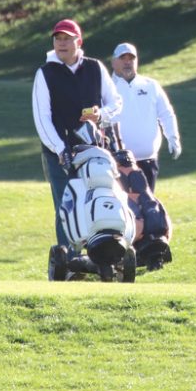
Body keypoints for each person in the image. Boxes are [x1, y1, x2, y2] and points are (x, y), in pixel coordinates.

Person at [32, 18, 122, 254]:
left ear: (78, 41)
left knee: (97, 198)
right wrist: (59, 149)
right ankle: (69, 260)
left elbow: (115, 102)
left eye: (67, 39)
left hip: (94, 149)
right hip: (59, 153)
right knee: (66, 205)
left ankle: (100, 252)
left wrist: (100, 115)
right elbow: (42, 118)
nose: (61, 43)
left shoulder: (95, 67)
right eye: (58, 39)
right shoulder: (45, 73)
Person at [110, 41, 181, 193]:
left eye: (131, 59)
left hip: (148, 160)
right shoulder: (106, 87)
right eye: (123, 58)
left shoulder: (151, 85)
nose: (127, 62)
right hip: (118, 162)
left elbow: (166, 113)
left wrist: (173, 137)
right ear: (113, 62)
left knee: (147, 207)